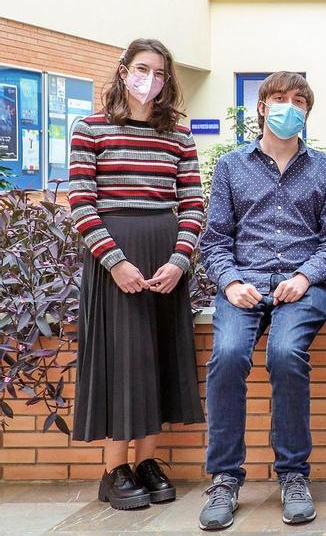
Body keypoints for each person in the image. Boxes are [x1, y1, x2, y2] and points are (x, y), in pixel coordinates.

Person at [197, 72, 326, 531]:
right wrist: (228, 283)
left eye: (298, 100)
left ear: (307, 112)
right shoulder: (231, 166)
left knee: (284, 354)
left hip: (302, 288)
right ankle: (225, 477)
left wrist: (305, 278)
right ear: (261, 107)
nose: (289, 107)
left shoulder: (323, 168)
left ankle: (294, 475)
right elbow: (215, 239)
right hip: (244, 285)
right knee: (226, 356)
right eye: (279, 99)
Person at [68, 38, 204, 510]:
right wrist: (116, 262)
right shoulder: (90, 129)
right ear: (124, 71)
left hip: (165, 259)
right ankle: (114, 471)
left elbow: (192, 204)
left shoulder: (179, 137)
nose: (152, 79)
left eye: (161, 72)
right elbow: (82, 203)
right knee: (124, 364)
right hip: (114, 263)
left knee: (158, 360)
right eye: (143, 68)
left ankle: (148, 461)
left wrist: (179, 260)